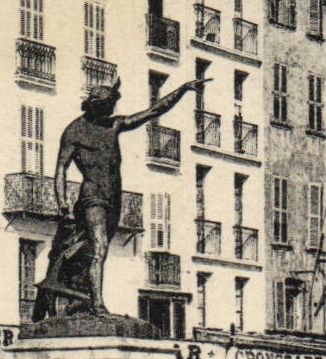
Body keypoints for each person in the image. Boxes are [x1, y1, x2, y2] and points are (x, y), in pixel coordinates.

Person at [36, 77, 205, 318]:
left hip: (113, 198)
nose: (111, 112)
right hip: (92, 197)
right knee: (99, 248)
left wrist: (182, 89)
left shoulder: (113, 125)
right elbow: (61, 168)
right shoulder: (74, 131)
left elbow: (153, 111)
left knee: (90, 251)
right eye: (106, 108)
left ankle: (79, 298)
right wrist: (62, 201)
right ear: (94, 106)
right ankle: (97, 305)